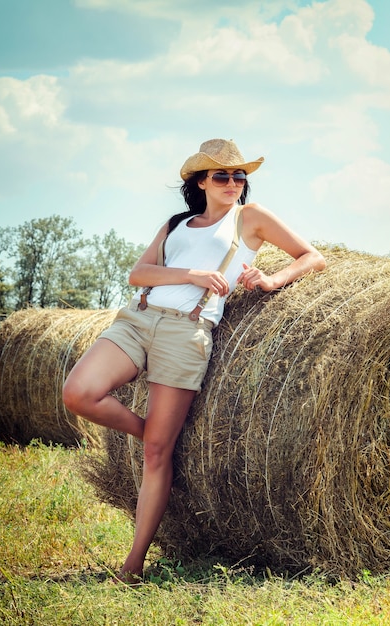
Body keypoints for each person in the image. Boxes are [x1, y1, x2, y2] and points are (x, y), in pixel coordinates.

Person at [62, 138, 326, 583]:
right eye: (222, 175)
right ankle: (150, 432)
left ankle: (133, 565)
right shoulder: (177, 224)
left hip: (188, 331)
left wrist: (272, 278)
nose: (233, 182)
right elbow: (138, 274)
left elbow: (313, 257)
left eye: (239, 175)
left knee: (155, 456)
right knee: (78, 393)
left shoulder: (252, 217)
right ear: (201, 181)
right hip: (139, 319)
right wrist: (189, 273)